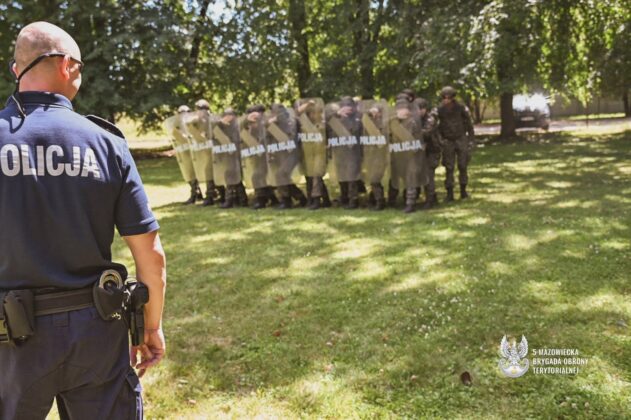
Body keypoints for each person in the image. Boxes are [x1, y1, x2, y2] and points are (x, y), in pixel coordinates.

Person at [0, 22, 166, 418]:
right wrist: (150, 327)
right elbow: (151, 256)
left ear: (15, 71)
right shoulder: (106, 143)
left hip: (10, 342)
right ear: (68, 66)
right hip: (96, 332)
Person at [437, 86, 475, 200]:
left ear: (453, 97)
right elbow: (436, 125)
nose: (446, 99)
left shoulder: (460, 107)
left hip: (460, 138)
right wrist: (441, 140)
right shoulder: (440, 109)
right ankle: (449, 193)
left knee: (463, 165)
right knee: (449, 167)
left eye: (448, 97)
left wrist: (471, 139)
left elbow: (469, 123)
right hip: (448, 140)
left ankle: (463, 191)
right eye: (444, 97)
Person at [326, 97, 363, 209]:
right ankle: (345, 197)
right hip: (339, 152)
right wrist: (337, 114)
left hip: (353, 152)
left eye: (349, 106)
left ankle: (353, 200)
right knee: (342, 176)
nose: (347, 109)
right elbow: (325, 122)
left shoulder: (359, 118)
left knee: (352, 176)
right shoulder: (335, 118)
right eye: (344, 106)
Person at [295, 98, 331, 210]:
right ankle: (324, 200)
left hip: (320, 153)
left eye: (316, 112)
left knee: (316, 175)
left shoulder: (323, 124)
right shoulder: (303, 123)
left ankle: (315, 200)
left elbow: (329, 135)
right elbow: (296, 113)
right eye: (311, 113)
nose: (314, 115)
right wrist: (307, 104)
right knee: (309, 176)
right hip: (307, 153)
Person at [416, 97, 440, 209]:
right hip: (421, 152)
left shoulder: (430, 119)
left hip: (432, 151)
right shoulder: (416, 119)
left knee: (428, 175)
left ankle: (430, 200)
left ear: (424, 109)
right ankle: (433, 198)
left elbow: (426, 133)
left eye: (419, 109)